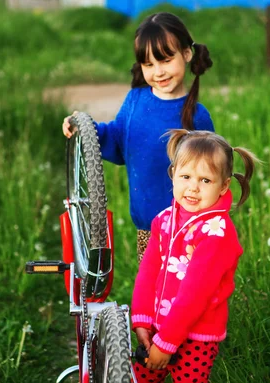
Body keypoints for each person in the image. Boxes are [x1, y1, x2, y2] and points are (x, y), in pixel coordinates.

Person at [62, 12, 214, 260]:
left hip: (188, 230)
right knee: (152, 291)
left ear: (186, 54)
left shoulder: (198, 117)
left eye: (165, 60)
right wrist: (86, 129)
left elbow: (212, 174)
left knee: (186, 295)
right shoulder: (135, 101)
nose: (159, 72)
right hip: (147, 228)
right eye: (149, 64)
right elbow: (117, 138)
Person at [131, 129, 258, 383]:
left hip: (196, 336)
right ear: (173, 173)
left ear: (223, 186)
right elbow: (148, 271)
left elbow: (195, 295)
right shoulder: (164, 219)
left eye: (205, 180)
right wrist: (142, 318)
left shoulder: (217, 232)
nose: (193, 188)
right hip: (156, 328)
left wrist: (166, 345)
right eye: (186, 177)